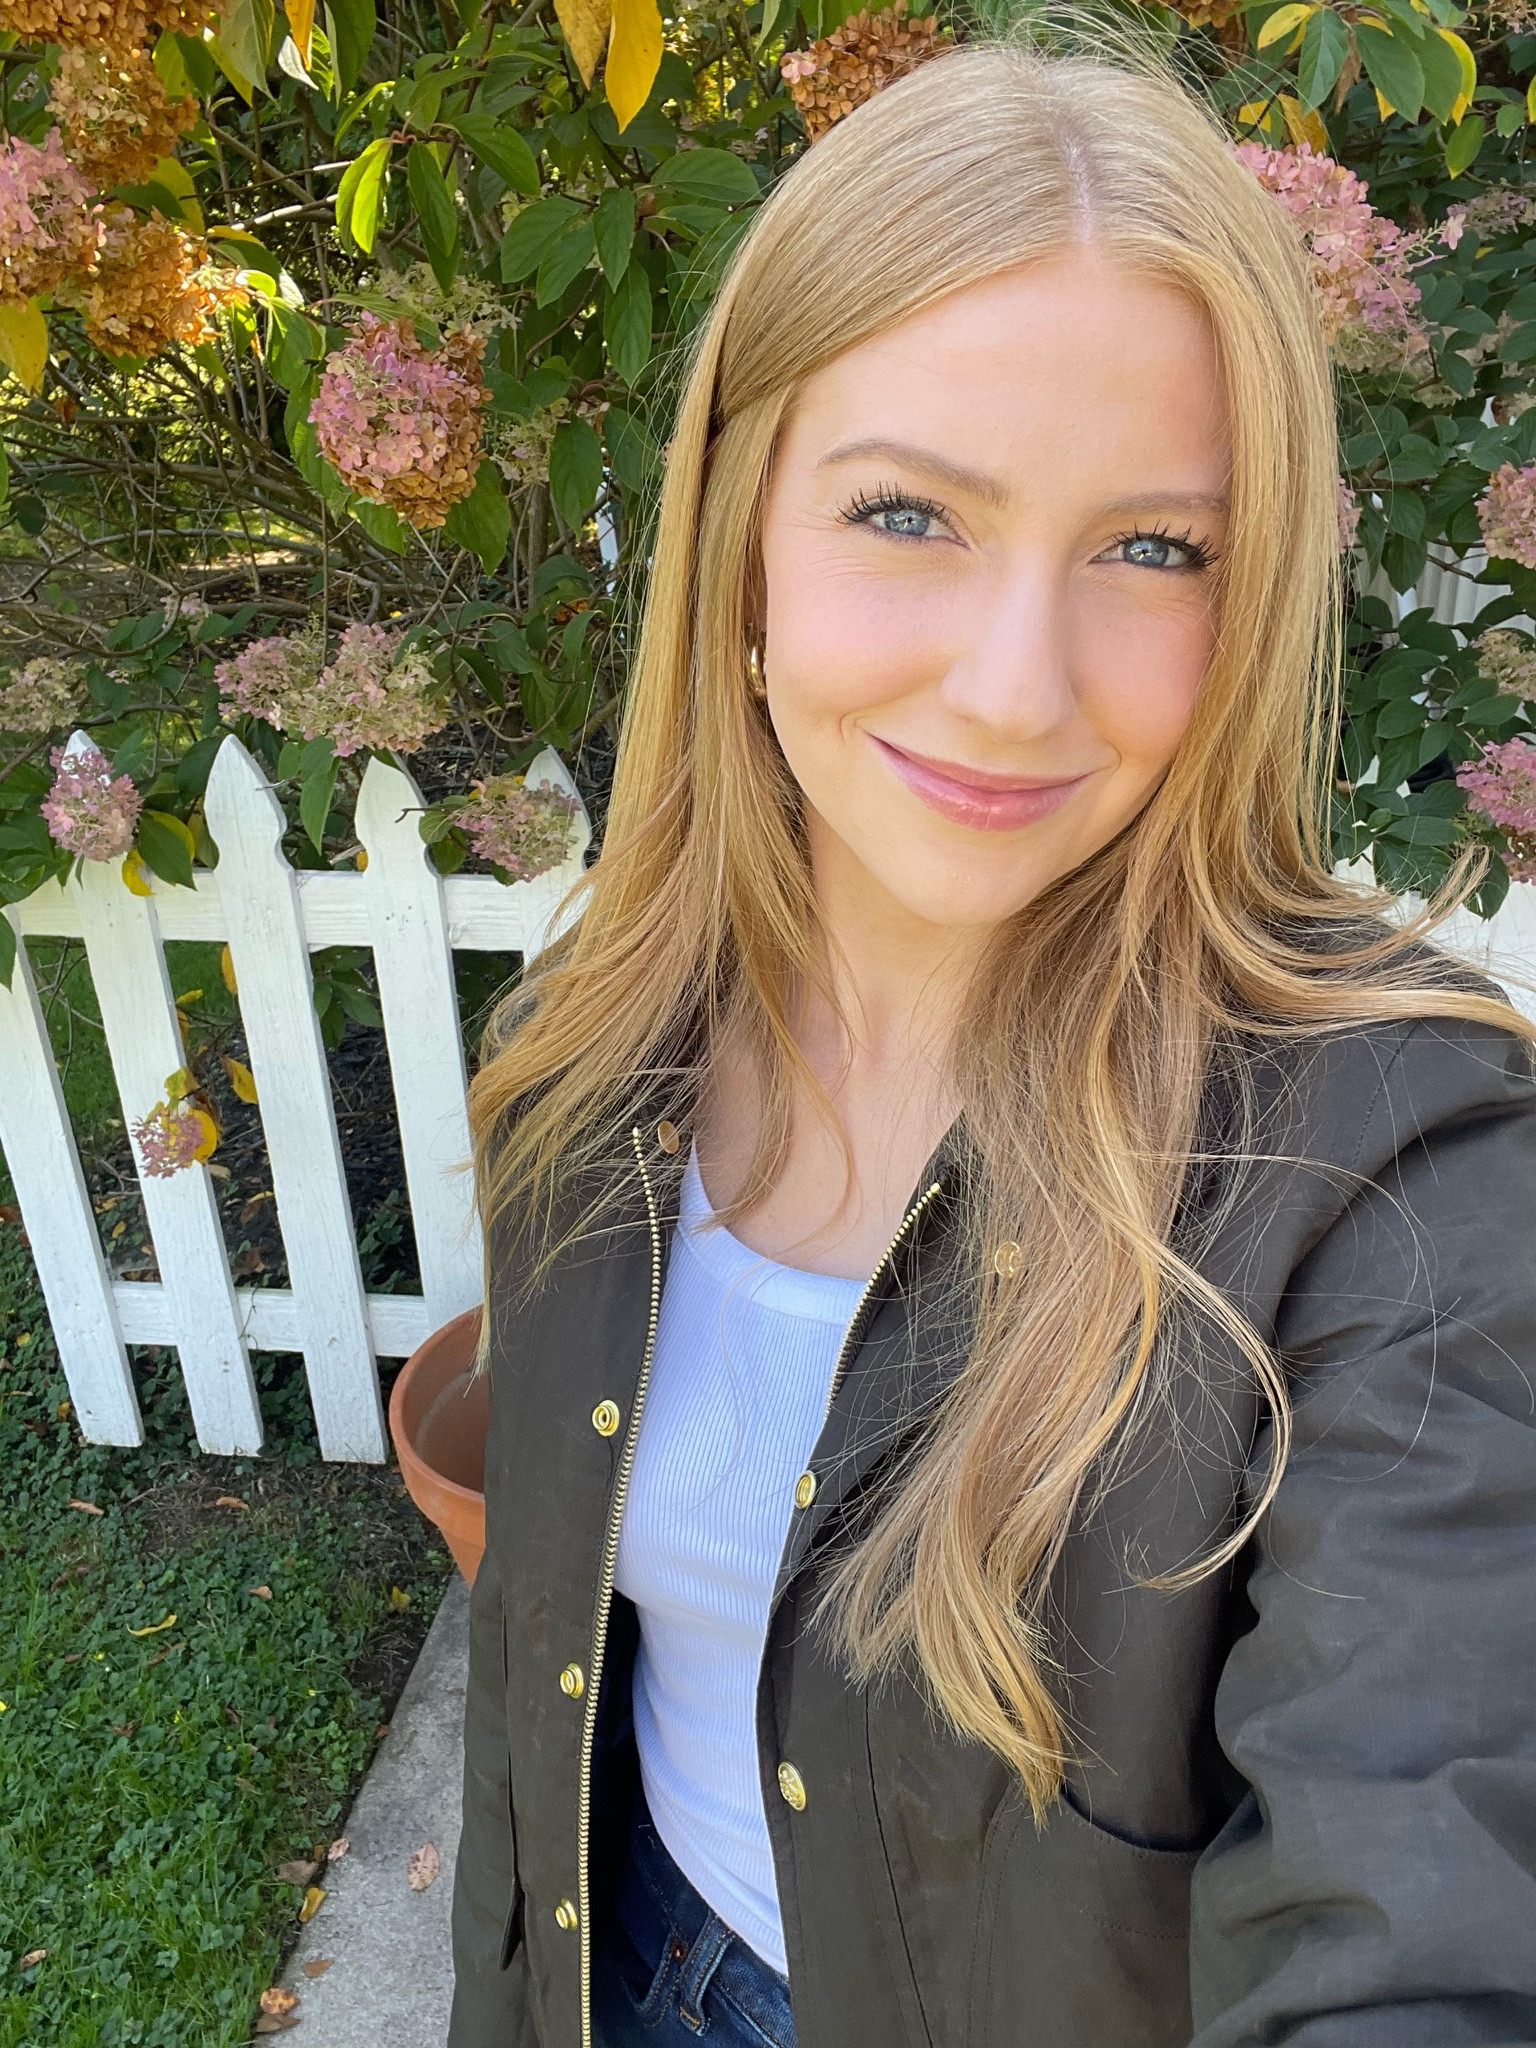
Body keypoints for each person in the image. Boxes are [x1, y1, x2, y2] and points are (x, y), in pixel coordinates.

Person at [446, 29, 1536, 2048]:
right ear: (740, 546)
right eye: (909, 514)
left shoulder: (1402, 1175)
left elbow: (1431, 1892)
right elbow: (546, 1674)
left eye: (1153, 548)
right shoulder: (603, 1042)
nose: (1019, 686)